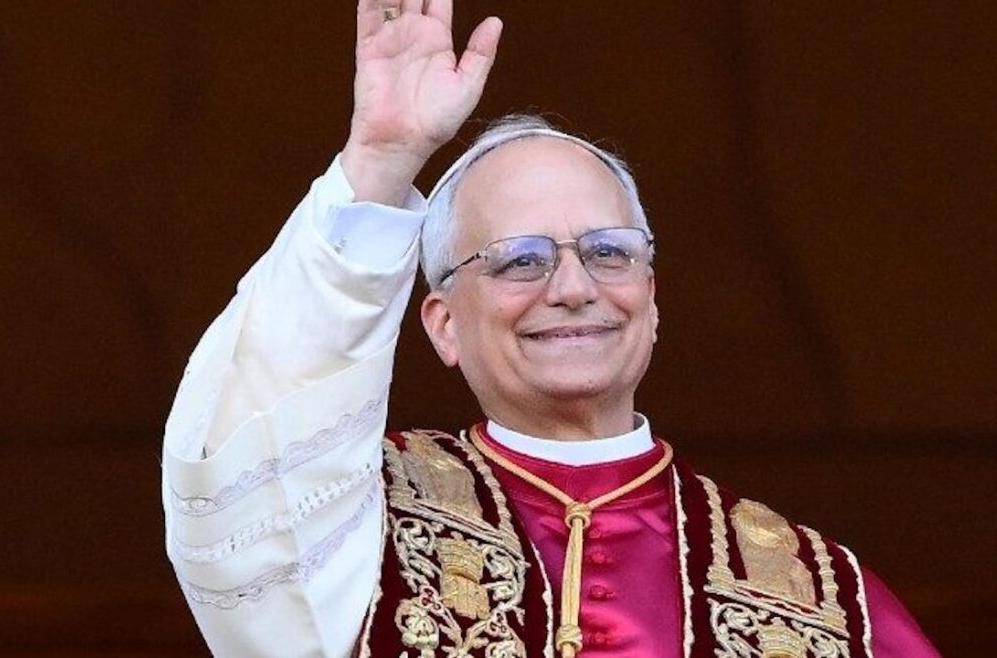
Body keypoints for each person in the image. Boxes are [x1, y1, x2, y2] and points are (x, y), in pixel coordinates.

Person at [162, 1, 941, 656]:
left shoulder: (822, 597)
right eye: (518, 261)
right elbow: (238, 484)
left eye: (608, 252)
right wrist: (380, 162)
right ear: (443, 325)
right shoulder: (351, 517)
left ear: (652, 296)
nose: (573, 289)